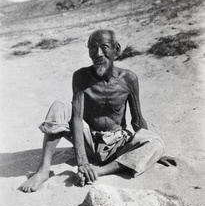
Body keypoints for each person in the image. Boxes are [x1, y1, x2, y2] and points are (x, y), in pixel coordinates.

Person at [20, 29, 172, 193]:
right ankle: (43, 170)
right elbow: (77, 118)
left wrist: (152, 153)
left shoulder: (129, 79)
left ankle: (98, 172)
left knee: (156, 142)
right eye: (93, 48)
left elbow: (137, 120)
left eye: (105, 47)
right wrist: (82, 162)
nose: (98, 53)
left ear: (117, 49)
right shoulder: (81, 77)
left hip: (117, 143)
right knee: (60, 105)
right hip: (89, 142)